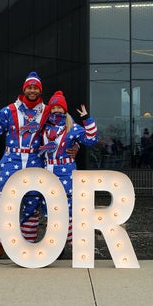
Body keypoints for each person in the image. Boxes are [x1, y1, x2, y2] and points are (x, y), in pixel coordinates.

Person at [0, 72, 47, 260]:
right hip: (11, 162)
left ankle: (25, 246)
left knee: (32, 202)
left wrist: (73, 147)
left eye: (36, 87)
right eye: (30, 87)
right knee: (4, 202)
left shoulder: (47, 111)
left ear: (40, 90)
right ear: (24, 89)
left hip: (35, 161)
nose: (33, 90)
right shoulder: (9, 110)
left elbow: (63, 131)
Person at [36, 91, 98, 252]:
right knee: (49, 206)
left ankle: (74, 242)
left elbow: (92, 140)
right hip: (47, 170)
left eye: (59, 107)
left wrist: (87, 119)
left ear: (65, 110)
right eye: (54, 107)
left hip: (66, 171)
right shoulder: (43, 127)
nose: (56, 110)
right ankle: (56, 244)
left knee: (68, 206)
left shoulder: (73, 126)